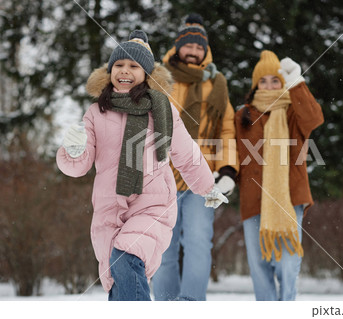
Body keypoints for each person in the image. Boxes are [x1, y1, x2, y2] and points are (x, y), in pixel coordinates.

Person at [56, 30, 228, 301]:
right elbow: (79, 167)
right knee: (116, 276)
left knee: (126, 255)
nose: (125, 71)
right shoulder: (96, 112)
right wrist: (73, 149)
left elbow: (186, 153)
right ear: (110, 71)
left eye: (134, 66)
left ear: (146, 74)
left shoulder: (162, 109)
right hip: (109, 208)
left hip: (153, 204)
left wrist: (208, 187)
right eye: (119, 65)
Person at [152, 14, 239, 301]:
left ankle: (191, 305)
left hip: (203, 179)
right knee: (163, 246)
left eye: (199, 47)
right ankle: (165, 305)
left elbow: (226, 129)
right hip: (162, 175)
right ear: (178, 47)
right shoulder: (159, 78)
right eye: (188, 45)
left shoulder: (217, 86)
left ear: (206, 51)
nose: (193, 51)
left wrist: (227, 170)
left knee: (199, 244)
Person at [235, 50, 324, 301]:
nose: (269, 85)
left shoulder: (293, 112)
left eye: (275, 80)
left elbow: (315, 118)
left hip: (289, 194)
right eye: (263, 81)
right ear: (255, 85)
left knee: (287, 261)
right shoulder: (243, 115)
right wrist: (227, 174)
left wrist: (297, 80)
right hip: (253, 198)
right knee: (259, 265)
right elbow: (232, 151)